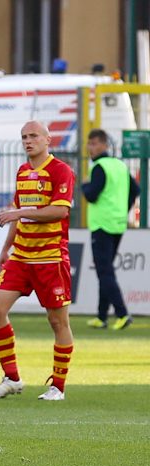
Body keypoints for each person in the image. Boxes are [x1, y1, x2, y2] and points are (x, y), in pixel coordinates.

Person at [0, 120, 75, 402]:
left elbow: (59, 211)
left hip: (50, 258)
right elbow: (18, 211)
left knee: (57, 322)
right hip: (21, 257)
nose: (27, 141)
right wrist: (6, 247)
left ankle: (58, 386)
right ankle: (12, 378)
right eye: (24, 136)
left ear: (48, 139)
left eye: (33, 135)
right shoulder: (23, 171)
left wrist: (20, 212)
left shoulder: (61, 170)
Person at [82, 129, 141, 331]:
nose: (90, 148)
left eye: (94, 144)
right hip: (117, 223)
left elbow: (92, 195)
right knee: (105, 270)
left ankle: (122, 313)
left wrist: (84, 186)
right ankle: (101, 316)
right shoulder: (119, 165)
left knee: (104, 270)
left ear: (104, 145)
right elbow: (136, 189)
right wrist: (124, 209)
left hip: (102, 224)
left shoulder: (99, 167)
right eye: (89, 144)